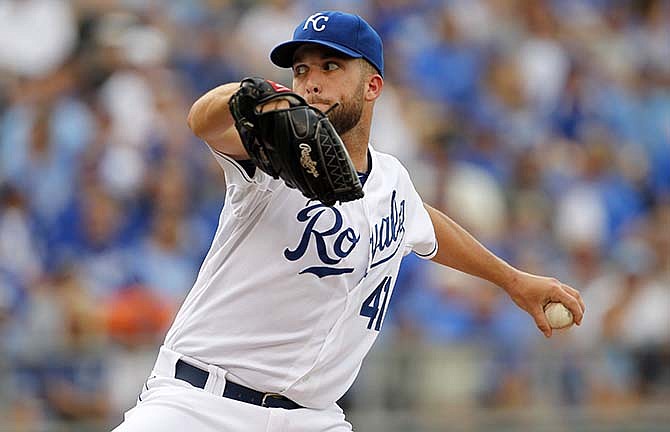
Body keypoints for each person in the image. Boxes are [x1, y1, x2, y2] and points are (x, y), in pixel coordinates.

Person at [112, 11, 585, 432]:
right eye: (300, 70)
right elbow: (203, 122)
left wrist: (513, 280)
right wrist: (248, 96)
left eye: (330, 67)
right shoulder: (268, 159)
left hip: (313, 417)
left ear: (372, 85)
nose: (311, 81)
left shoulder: (392, 181)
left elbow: (425, 224)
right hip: (200, 404)